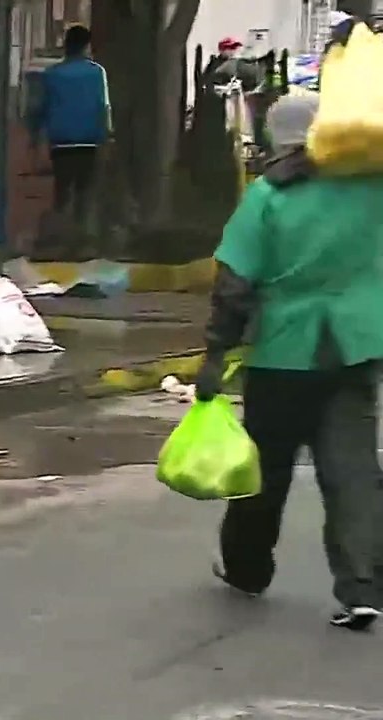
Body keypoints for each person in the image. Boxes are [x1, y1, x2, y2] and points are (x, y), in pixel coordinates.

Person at [195, 93, 383, 632]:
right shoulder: (368, 189)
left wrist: (216, 354)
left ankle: (248, 570)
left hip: (285, 353)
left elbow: (234, 284)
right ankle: (361, 586)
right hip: (354, 349)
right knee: (352, 473)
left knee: (264, 474)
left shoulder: (268, 197)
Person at [28, 24, 111, 230]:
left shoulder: (51, 74)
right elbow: (104, 107)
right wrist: (107, 138)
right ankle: (81, 238)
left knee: (62, 192)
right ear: (86, 46)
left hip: (61, 143)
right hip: (89, 141)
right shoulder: (97, 73)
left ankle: (60, 236)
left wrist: (35, 137)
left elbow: (40, 108)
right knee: (85, 194)